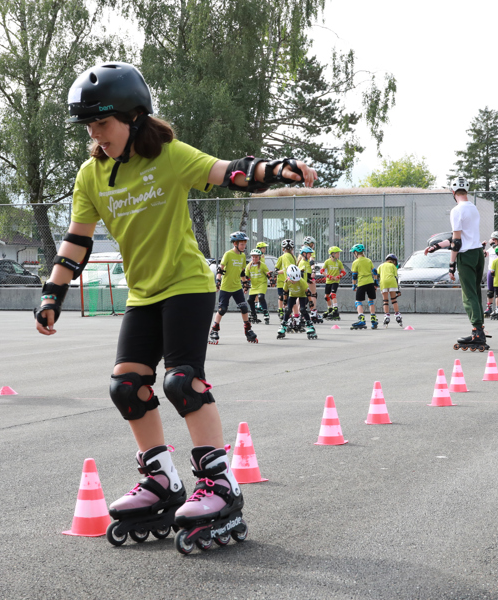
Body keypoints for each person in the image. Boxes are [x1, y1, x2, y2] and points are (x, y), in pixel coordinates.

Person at [34, 62, 317, 552]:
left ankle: (220, 485)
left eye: (103, 124)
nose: (96, 135)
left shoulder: (167, 155)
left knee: (182, 381)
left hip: (187, 285)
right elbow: (75, 242)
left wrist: (271, 170)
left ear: (134, 117)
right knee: (126, 387)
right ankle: (161, 481)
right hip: (143, 294)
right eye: (90, 127)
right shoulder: (90, 175)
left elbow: (226, 172)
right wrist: (51, 295)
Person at [425, 176, 488, 351]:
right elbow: (458, 238)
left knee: (468, 295)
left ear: (453, 192)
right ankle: (479, 328)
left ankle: (477, 332)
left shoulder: (456, 210)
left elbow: (457, 243)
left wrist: (451, 265)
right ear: (466, 191)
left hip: (465, 255)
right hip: (477, 253)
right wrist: (436, 246)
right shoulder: (474, 208)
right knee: (475, 292)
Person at [209, 231, 257, 345]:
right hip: (226, 287)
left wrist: (245, 284)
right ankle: (213, 331)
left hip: (237, 287)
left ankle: (248, 330)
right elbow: (221, 269)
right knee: (222, 309)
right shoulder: (228, 254)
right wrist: (218, 281)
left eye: (245, 244)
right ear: (235, 243)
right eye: (242, 244)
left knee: (244, 308)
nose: (244, 246)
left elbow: (241, 272)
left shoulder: (243, 256)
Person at [277, 265, 316, 340]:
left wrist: (311, 302)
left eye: (296, 280)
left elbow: (308, 293)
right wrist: (285, 301)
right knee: (288, 310)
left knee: (302, 309)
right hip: (292, 295)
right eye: (293, 280)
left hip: (302, 295)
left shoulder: (301, 281)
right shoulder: (287, 282)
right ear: (289, 277)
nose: (295, 282)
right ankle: (283, 326)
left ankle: (310, 326)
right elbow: (285, 292)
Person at [348, 244, 379, 330]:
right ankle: (373, 320)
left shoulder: (356, 262)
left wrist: (354, 285)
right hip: (370, 283)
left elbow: (354, 275)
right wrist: (376, 283)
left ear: (356, 253)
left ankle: (361, 320)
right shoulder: (368, 260)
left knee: (358, 302)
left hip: (361, 283)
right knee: (371, 301)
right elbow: (375, 271)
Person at [319, 246, 346, 321]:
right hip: (329, 281)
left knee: (332, 294)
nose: (339, 255)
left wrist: (339, 276)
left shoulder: (339, 262)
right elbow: (322, 271)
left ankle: (335, 310)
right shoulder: (327, 261)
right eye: (337, 253)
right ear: (333, 254)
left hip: (335, 281)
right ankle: (330, 309)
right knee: (326, 296)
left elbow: (344, 272)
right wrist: (328, 276)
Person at [377, 253, 403, 328]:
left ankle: (387, 315)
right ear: (394, 261)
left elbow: (377, 273)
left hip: (383, 283)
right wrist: (398, 290)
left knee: (385, 300)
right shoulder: (393, 266)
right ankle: (397, 315)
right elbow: (396, 277)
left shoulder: (381, 265)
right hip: (392, 282)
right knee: (394, 300)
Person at [245, 249, 270, 325]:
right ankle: (253, 313)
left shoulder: (262, 265)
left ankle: (266, 313)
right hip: (254, 286)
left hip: (262, 284)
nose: (254, 259)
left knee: (261, 297)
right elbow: (246, 276)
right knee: (250, 300)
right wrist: (245, 286)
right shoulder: (249, 266)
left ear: (259, 257)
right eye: (253, 257)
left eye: (256, 257)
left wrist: (271, 278)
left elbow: (267, 273)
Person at [274, 239, 296, 321]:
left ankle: (285, 312)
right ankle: (284, 312)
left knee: (284, 297)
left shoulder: (286, 256)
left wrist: (277, 272)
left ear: (283, 249)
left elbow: (288, 269)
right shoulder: (286, 257)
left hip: (285, 280)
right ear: (292, 249)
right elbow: (278, 268)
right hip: (284, 280)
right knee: (285, 297)